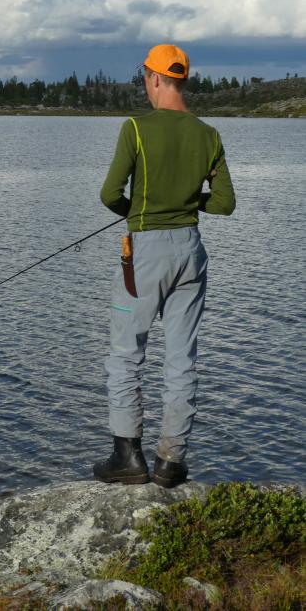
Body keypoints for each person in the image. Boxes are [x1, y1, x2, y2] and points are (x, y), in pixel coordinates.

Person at [93, 44, 236, 488]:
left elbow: (109, 194)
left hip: (146, 253)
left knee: (126, 353)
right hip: (191, 251)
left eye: (145, 77)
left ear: (154, 78)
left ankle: (127, 457)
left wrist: (137, 212)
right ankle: (170, 461)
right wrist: (190, 200)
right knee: (181, 358)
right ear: (181, 80)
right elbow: (225, 203)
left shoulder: (135, 127)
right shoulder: (209, 134)